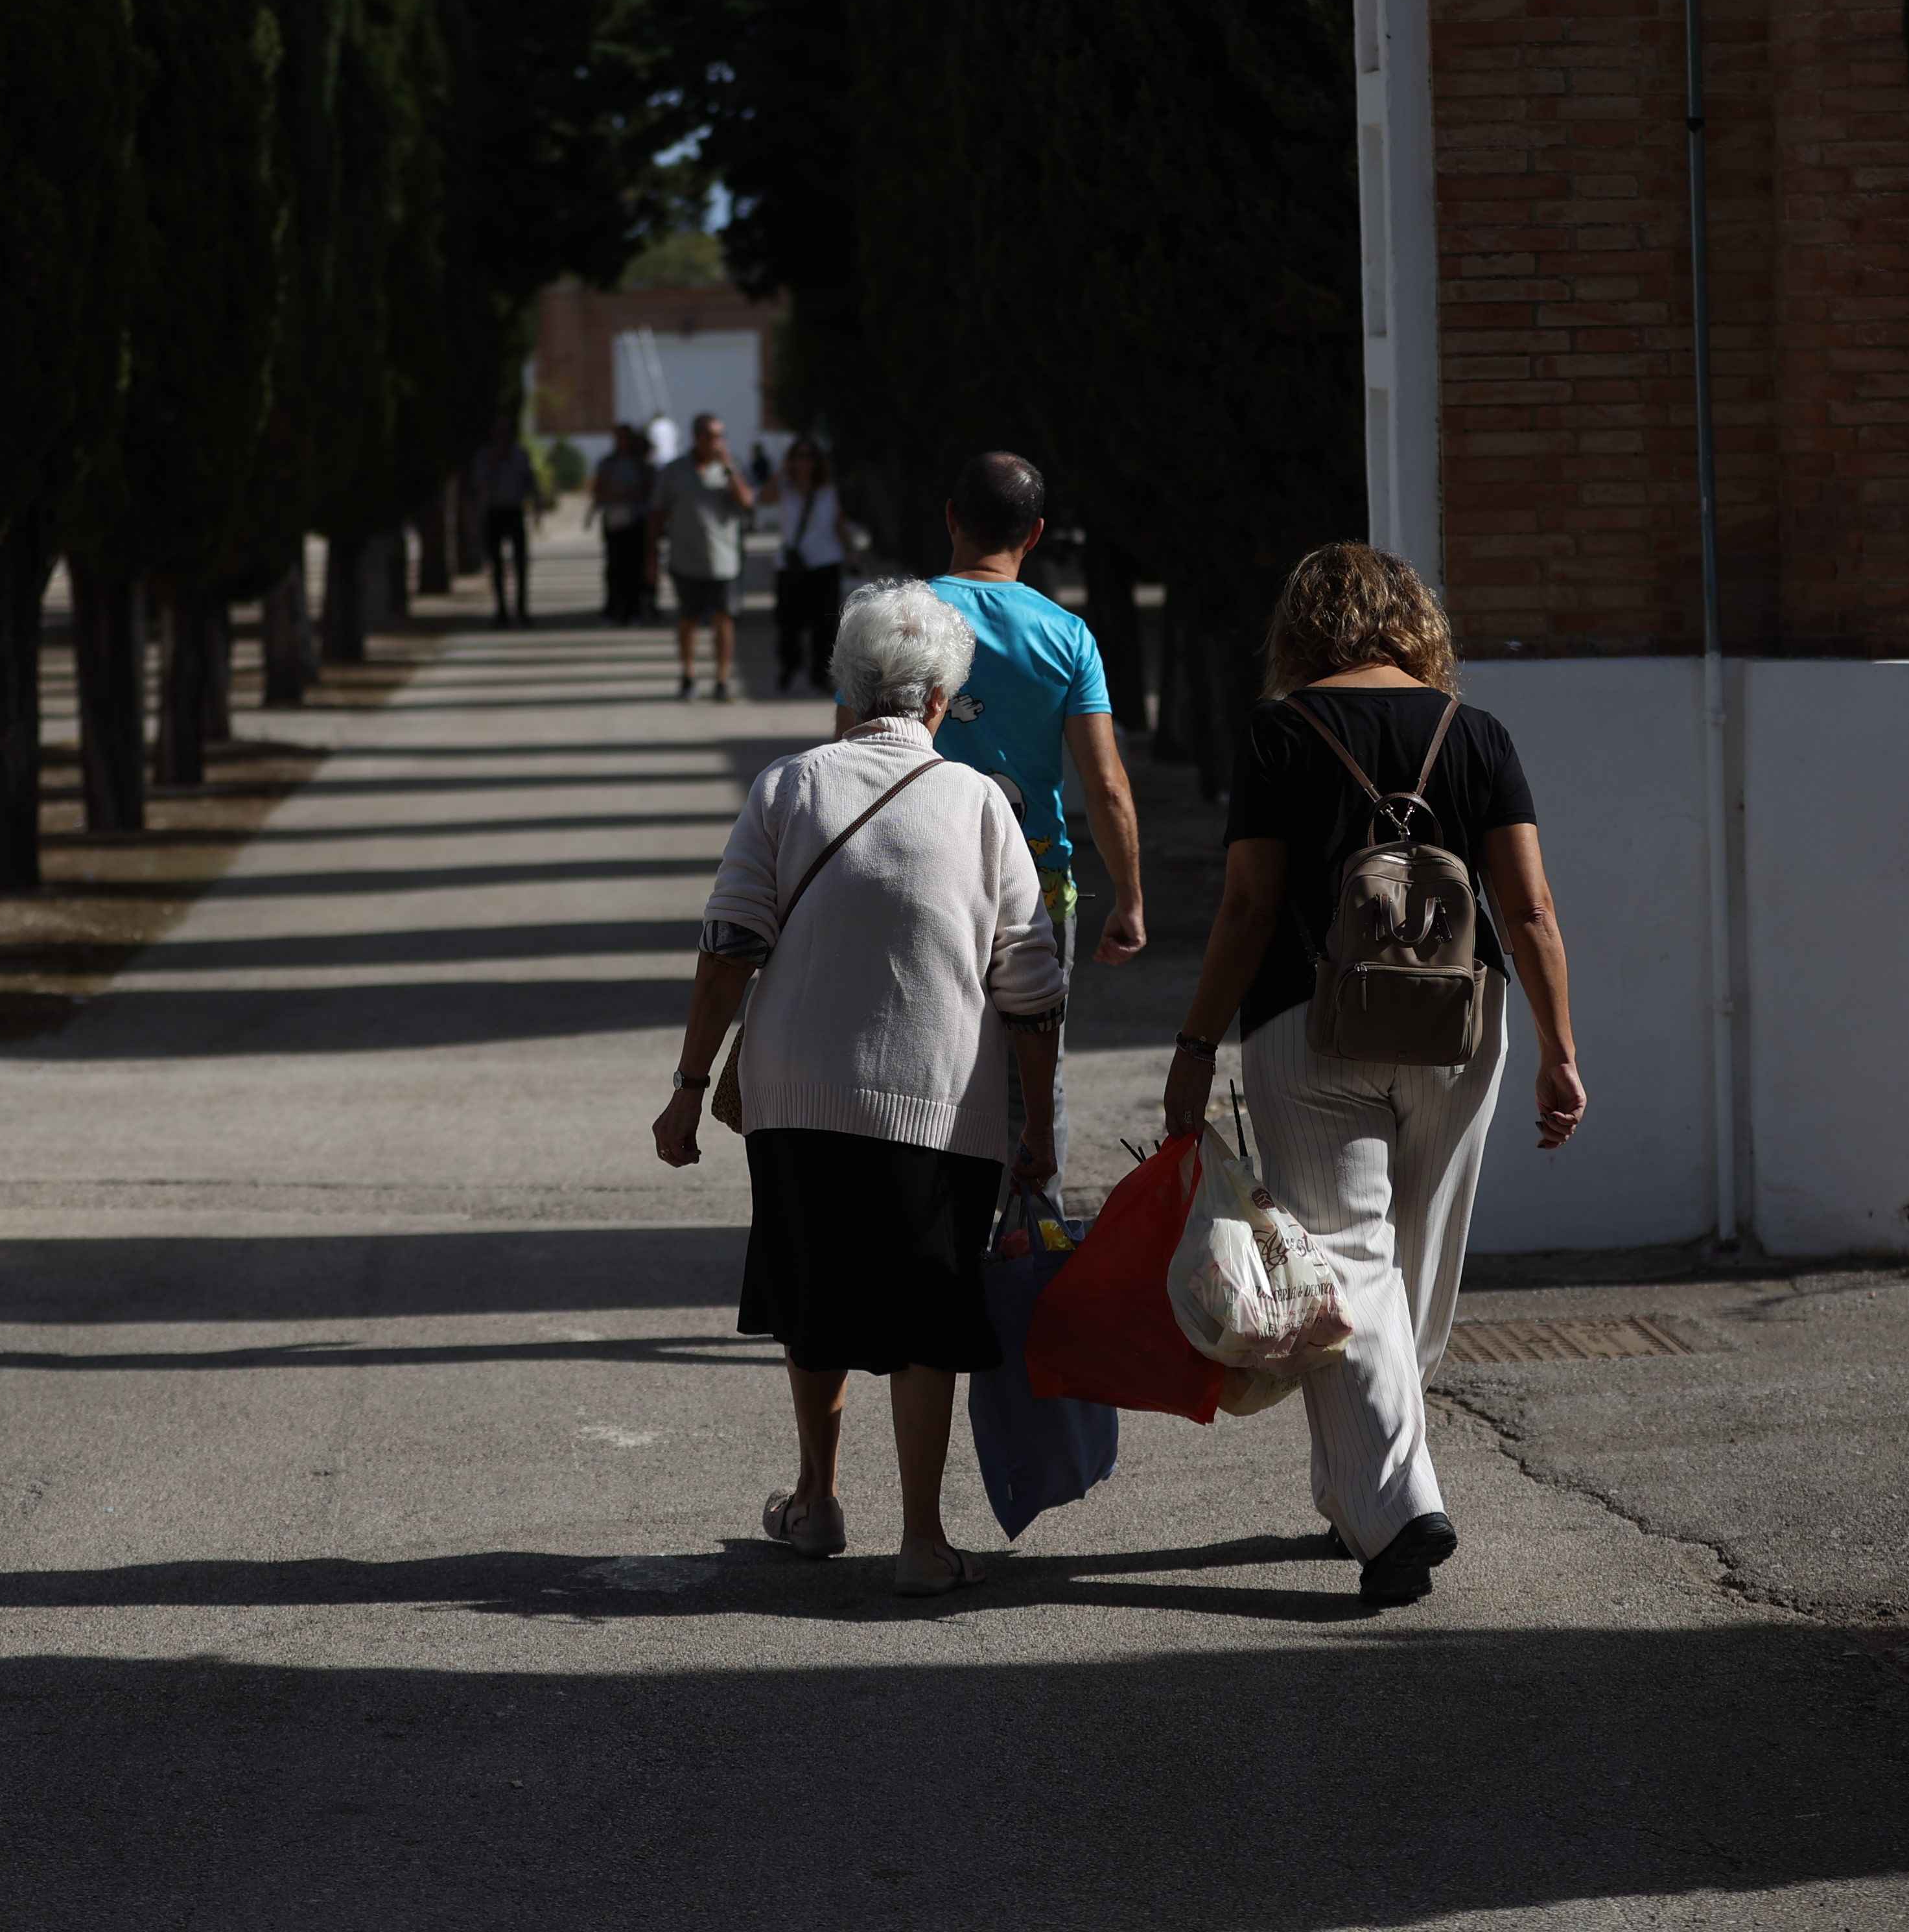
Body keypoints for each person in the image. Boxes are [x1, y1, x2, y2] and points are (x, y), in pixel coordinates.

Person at [1158, 542, 1586, 1609]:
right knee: (1410, 1260)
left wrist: (1194, 1041)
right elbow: (1528, 908)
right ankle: (1358, 1485)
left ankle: (1397, 1507)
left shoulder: (1279, 731)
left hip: (1308, 1025)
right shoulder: (1473, 731)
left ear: (1303, 626)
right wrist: (1558, 1048)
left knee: (1344, 1263)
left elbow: (1249, 904)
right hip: (1459, 1021)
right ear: (1413, 622)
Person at [655, 581, 1067, 1599]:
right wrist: (1040, 1123)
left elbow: (726, 953)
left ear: (849, 685)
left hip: (796, 1097)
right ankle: (923, 1542)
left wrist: (688, 1086)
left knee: (814, 1290)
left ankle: (817, 1502)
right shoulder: (979, 804)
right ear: (940, 700)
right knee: (929, 1315)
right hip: (940, 1102)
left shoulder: (788, 788)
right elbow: (1032, 982)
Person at [924, 452, 1145, 1161]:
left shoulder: (896, 621)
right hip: (1036, 888)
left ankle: (943, 1249)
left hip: (921, 878)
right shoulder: (1068, 636)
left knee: (928, 1076)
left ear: (952, 518)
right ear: (1037, 533)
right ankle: (1031, 1241)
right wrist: (1130, 899)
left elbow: (848, 754)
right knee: (1034, 1084)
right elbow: (1105, 783)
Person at [651, 411, 754, 702]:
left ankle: (722, 679)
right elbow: (657, 513)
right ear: (697, 438)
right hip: (686, 559)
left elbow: (747, 502)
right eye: (711, 436)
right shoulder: (675, 471)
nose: (717, 442)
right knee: (688, 620)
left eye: (721, 436)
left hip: (724, 561)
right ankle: (688, 674)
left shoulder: (731, 468)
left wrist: (729, 470)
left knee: (724, 620)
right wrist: (651, 556)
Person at [769, 437, 848, 695]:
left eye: (809, 457)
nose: (804, 462)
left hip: (825, 561)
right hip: (791, 564)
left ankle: (820, 674)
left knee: (824, 624)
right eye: (799, 457)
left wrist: (852, 553)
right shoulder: (784, 488)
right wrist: (783, 471)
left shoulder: (828, 491)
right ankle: (789, 667)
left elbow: (838, 523)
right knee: (788, 622)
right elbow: (758, 498)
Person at [590, 424, 657, 625]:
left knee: (635, 567)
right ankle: (613, 609)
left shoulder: (641, 465)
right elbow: (598, 489)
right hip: (614, 519)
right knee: (614, 566)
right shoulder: (608, 463)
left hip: (636, 520)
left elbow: (650, 490)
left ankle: (634, 609)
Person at [474, 431, 537, 626]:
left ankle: (522, 610)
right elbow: (479, 483)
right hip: (494, 512)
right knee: (496, 564)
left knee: (521, 562)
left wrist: (537, 507)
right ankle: (501, 610)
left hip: (514, 511)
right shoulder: (485, 456)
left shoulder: (520, 455)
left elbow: (530, 481)